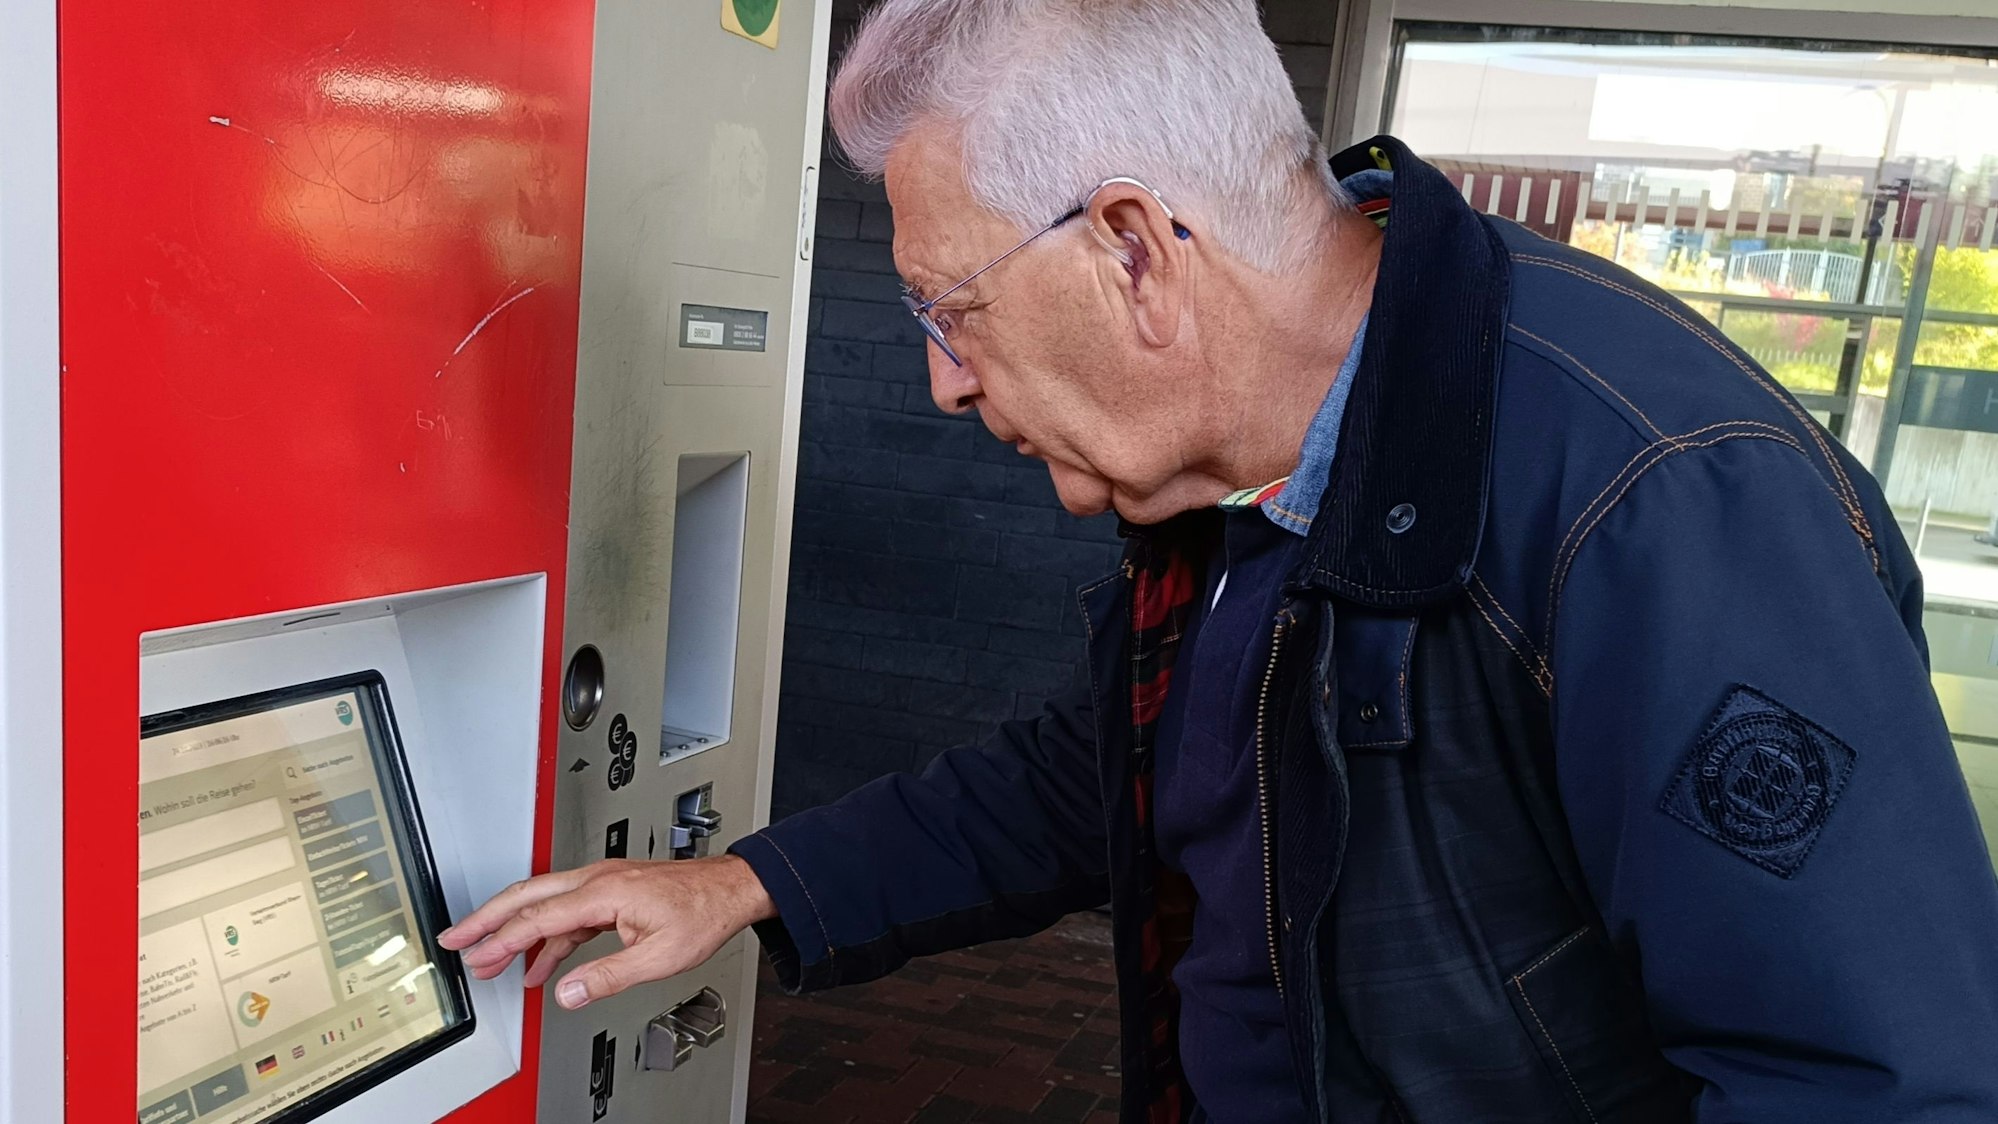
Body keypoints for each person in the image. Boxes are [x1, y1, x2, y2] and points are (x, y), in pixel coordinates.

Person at [439, 1, 1998, 1119]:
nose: (943, 381)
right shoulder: (1249, 475)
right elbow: (1100, 778)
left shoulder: (1659, 501)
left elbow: (1879, 1079)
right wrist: (744, 881)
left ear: (1131, 251)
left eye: (947, 309)